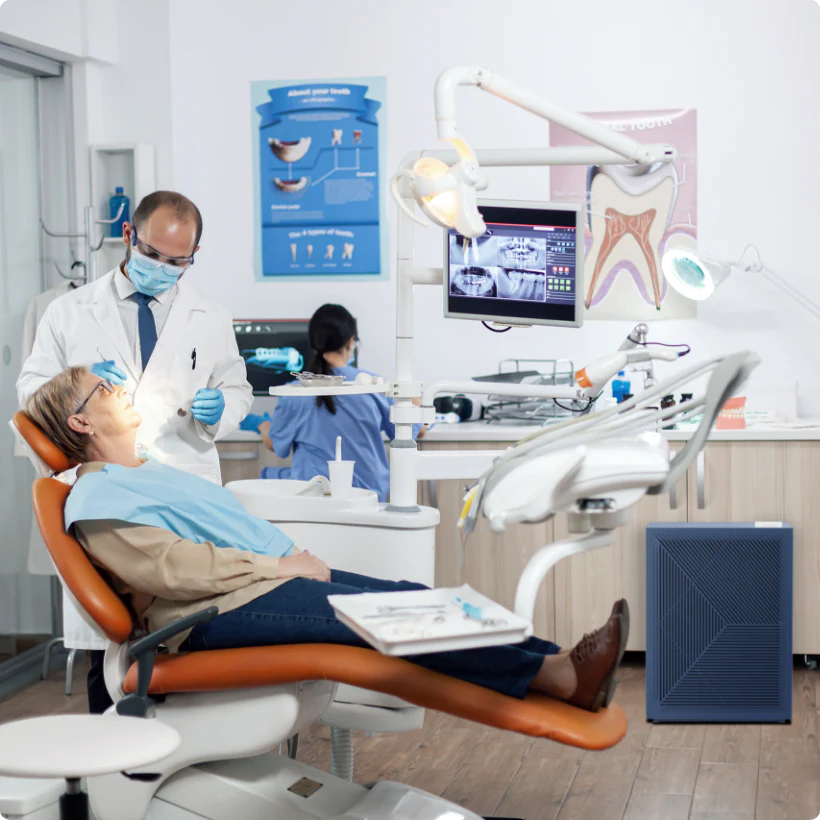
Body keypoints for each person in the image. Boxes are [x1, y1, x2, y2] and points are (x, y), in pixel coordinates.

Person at [24, 366, 630, 712]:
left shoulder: (148, 471)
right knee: (390, 619)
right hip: (210, 614)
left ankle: (554, 659)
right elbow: (173, 573)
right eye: (102, 389)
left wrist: (283, 562)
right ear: (80, 422)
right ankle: (559, 679)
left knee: (410, 597)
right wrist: (280, 570)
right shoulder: (95, 498)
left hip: (251, 587)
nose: (117, 387)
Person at [17, 191, 253, 715]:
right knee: (115, 641)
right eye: (154, 256)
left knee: (190, 635)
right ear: (128, 237)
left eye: (179, 262)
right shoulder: (69, 311)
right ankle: (116, 762)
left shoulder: (208, 316)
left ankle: (187, 758)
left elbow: (237, 388)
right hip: (107, 491)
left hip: (182, 486)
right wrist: (76, 381)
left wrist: (223, 410)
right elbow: (30, 389)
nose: (166, 269)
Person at [247, 304, 422, 503]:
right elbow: (413, 431)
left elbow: (276, 446)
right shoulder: (376, 388)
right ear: (350, 342)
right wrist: (413, 397)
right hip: (369, 498)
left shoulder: (294, 393)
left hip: (316, 500)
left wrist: (262, 425)